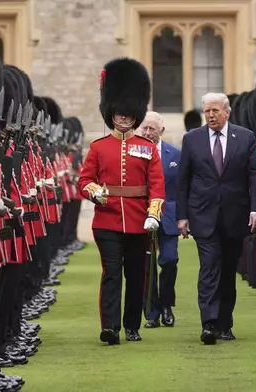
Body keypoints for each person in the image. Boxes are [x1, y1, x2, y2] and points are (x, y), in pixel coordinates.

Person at [78, 58, 165, 345]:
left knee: (136, 276)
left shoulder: (147, 148)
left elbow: (157, 186)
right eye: (119, 114)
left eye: (128, 115)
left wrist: (154, 213)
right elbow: (84, 181)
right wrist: (96, 192)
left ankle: (131, 326)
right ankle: (111, 327)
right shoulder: (99, 148)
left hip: (139, 221)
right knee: (112, 274)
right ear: (111, 113)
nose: (123, 118)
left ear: (135, 115)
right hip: (107, 220)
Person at [176, 92, 256, 344]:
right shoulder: (192, 139)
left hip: (235, 215)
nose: (211, 116)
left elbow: (255, 176)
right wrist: (181, 216)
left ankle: (225, 323)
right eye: (207, 111)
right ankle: (209, 324)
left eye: (215, 111)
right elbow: (183, 181)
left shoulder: (245, 137)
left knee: (227, 272)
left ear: (227, 112)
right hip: (203, 216)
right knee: (209, 268)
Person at [139, 111, 182, 328]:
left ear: (161, 131)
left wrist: (184, 217)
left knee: (169, 260)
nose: (148, 133)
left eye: (152, 129)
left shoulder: (175, 155)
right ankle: (152, 313)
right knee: (146, 266)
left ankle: (166, 305)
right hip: (140, 215)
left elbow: (183, 189)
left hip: (168, 217)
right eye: (144, 128)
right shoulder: (132, 154)